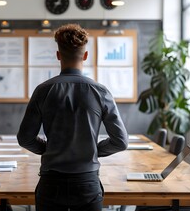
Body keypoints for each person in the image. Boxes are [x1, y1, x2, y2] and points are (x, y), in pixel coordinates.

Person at [17, 24, 128, 211]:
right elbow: (121, 141)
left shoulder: (43, 90)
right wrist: (91, 149)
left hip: (51, 183)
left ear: (58, 55)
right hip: (87, 182)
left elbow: (25, 138)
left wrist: (49, 148)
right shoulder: (100, 91)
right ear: (85, 56)